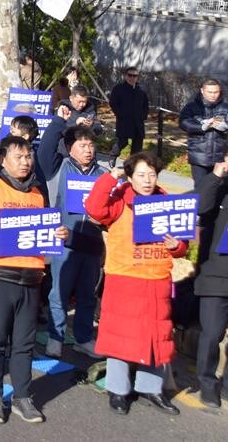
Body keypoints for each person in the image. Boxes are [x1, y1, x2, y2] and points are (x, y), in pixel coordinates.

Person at [0, 134, 69, 425]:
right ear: (3, 160)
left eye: (28, 156)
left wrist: (57, 234)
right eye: (18, 157)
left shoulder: (35, 192)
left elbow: (43, 232)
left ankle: (23, 396)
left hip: (31, 278)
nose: (25, 161)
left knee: (24, 343)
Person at [84, 152, 187, 416]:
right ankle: (118, 390)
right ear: (130, 177)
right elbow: (95, 209)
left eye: (152, 174)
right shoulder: (120, 200)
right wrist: (109, 178)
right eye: (141, 174)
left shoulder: (167, 203)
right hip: (124, 280)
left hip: (156, 281)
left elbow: (183, 243)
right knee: (120, 339)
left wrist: (177, 246)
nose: (147, 180)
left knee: (155, 337)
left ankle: (151, 388)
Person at [38, 107, 108, 358]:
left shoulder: (103, 175)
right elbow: (45, 148)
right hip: (63, 242)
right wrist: (60, 120)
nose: (88, 149)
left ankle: (83, 338)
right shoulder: (59, 168)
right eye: (82, 145)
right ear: (70, 149)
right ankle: (55, 337)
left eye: (90, 144)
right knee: (59, 293)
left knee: (87, 295)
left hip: (91, 242)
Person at [194, 154, 228, 409]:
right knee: (212, 333)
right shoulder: (218, 185)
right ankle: (207, 383)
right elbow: (198, 206)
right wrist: (217, 174)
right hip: (216, 273)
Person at [179, 78, 228, 184]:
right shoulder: (191, 107)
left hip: (220, 157)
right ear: (202, 91)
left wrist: (224, 126)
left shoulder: (225, 107)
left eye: (216, 92)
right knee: (201, 190)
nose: (213, 95)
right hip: (199, 156)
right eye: (209, 92)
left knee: (219, 190)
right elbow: (183, 123)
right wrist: (202, 127)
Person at [109, 67, 148, 157]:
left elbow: (145, 104)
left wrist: (143, 115)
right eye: (130, 75)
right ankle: (113, 155)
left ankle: (133, 165)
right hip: (124, 120)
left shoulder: (141, 89)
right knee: (122, 142)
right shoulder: (118, 88)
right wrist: (119, 114)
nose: (132, 78)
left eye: (135, 76)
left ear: (137, 77)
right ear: (125, 76)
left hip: (138, 121)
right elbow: (113, 103)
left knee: (137, 145)